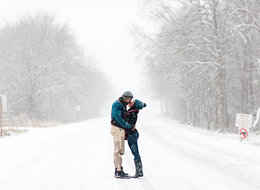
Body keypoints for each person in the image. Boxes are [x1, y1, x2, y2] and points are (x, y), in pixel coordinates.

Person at [111, 91, 135, 178]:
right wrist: (128, 126)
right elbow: (118, 118)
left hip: (120, 129)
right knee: (117, 150)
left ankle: (119, 169)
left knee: (121, 150)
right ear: (125, 98)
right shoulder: (117, 104)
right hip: (117, 129)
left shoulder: (122, 104)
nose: (130, 101)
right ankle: (118, 171)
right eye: (129, 99)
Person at [124, 99, 146, 178]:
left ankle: (139, 172)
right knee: (135, 153)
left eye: (132, 101)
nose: (130, 101)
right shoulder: (132, 111)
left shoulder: (132, 113)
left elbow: (128, 123)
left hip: (132, 135)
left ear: (134, 104)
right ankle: (139, 171)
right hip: (132, 134)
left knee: (135, 153)